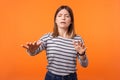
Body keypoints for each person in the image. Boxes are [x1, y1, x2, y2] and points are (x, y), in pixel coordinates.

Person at [22, 5, 88, 80]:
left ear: (71, 21)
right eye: (60, 15)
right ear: (56, 20)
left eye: (67, 16)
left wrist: (82, 54)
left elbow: (85, 64)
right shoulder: (47, 37)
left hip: (71, 77)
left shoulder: (78, 39)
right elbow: (33, 53)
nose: (63, 18)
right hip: (52, 77)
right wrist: (31, 50)